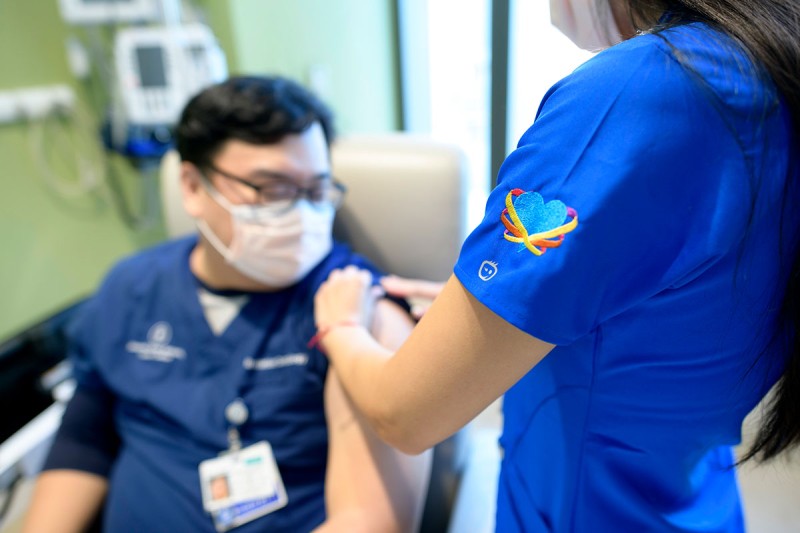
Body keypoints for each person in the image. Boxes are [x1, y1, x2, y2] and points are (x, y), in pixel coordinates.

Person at [312, 1, 800, 531]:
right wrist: (489, 314)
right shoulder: (771, 72)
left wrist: (340, 326)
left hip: (584, 509)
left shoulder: (639, 93)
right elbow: (683, 301)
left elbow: (405, 416)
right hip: (693, 500)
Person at [22, 75, 431, 533]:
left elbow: (372, 521)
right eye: (270, 189)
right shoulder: (130, 288)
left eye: (315, 191)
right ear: (193, 186)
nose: (299, 214)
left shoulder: (359, 312)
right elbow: (87, 438)